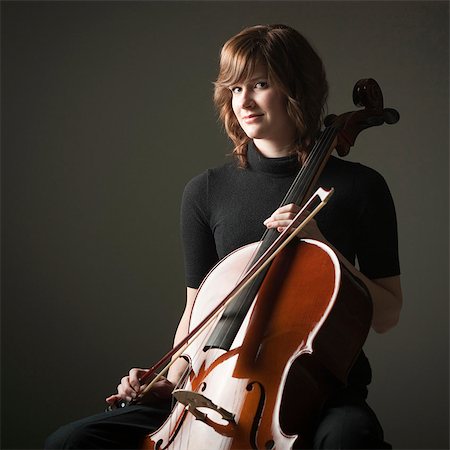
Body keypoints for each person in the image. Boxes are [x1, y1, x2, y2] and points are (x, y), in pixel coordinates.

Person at [45, 23, 402, 449]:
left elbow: (386, 314)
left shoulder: (361, 189)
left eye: (260, 84)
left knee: (351, 437)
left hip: (317, 390)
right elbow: (196, 311)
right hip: (213, 381)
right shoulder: (206, 191)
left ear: (297, 89)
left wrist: (322, 245)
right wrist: (170, 376)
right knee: (70, 442)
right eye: (234, 89)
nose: (244, 101)